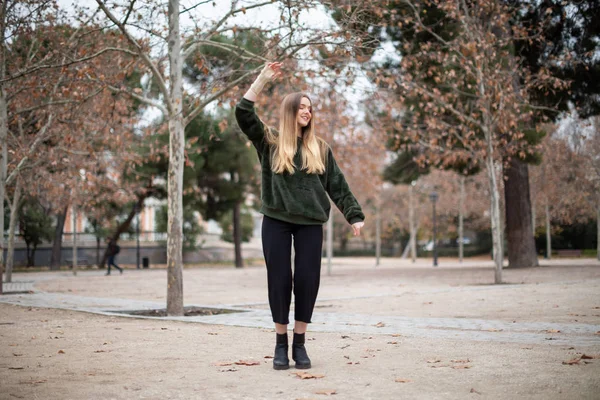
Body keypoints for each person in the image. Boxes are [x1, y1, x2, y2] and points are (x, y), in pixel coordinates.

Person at [235, 62, 365, 370]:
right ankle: (280, 344)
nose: (307, 111)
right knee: (279, 280)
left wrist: (354, 214)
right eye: (301, 107)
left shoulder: (320, 148)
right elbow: (243, 114)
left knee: (307, 280)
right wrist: (262, 78)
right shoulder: (270, 141)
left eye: (310, 108)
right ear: (290, 111)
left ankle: (300, 342)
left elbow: (337, 184)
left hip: (310, 223)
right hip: (276, 220)